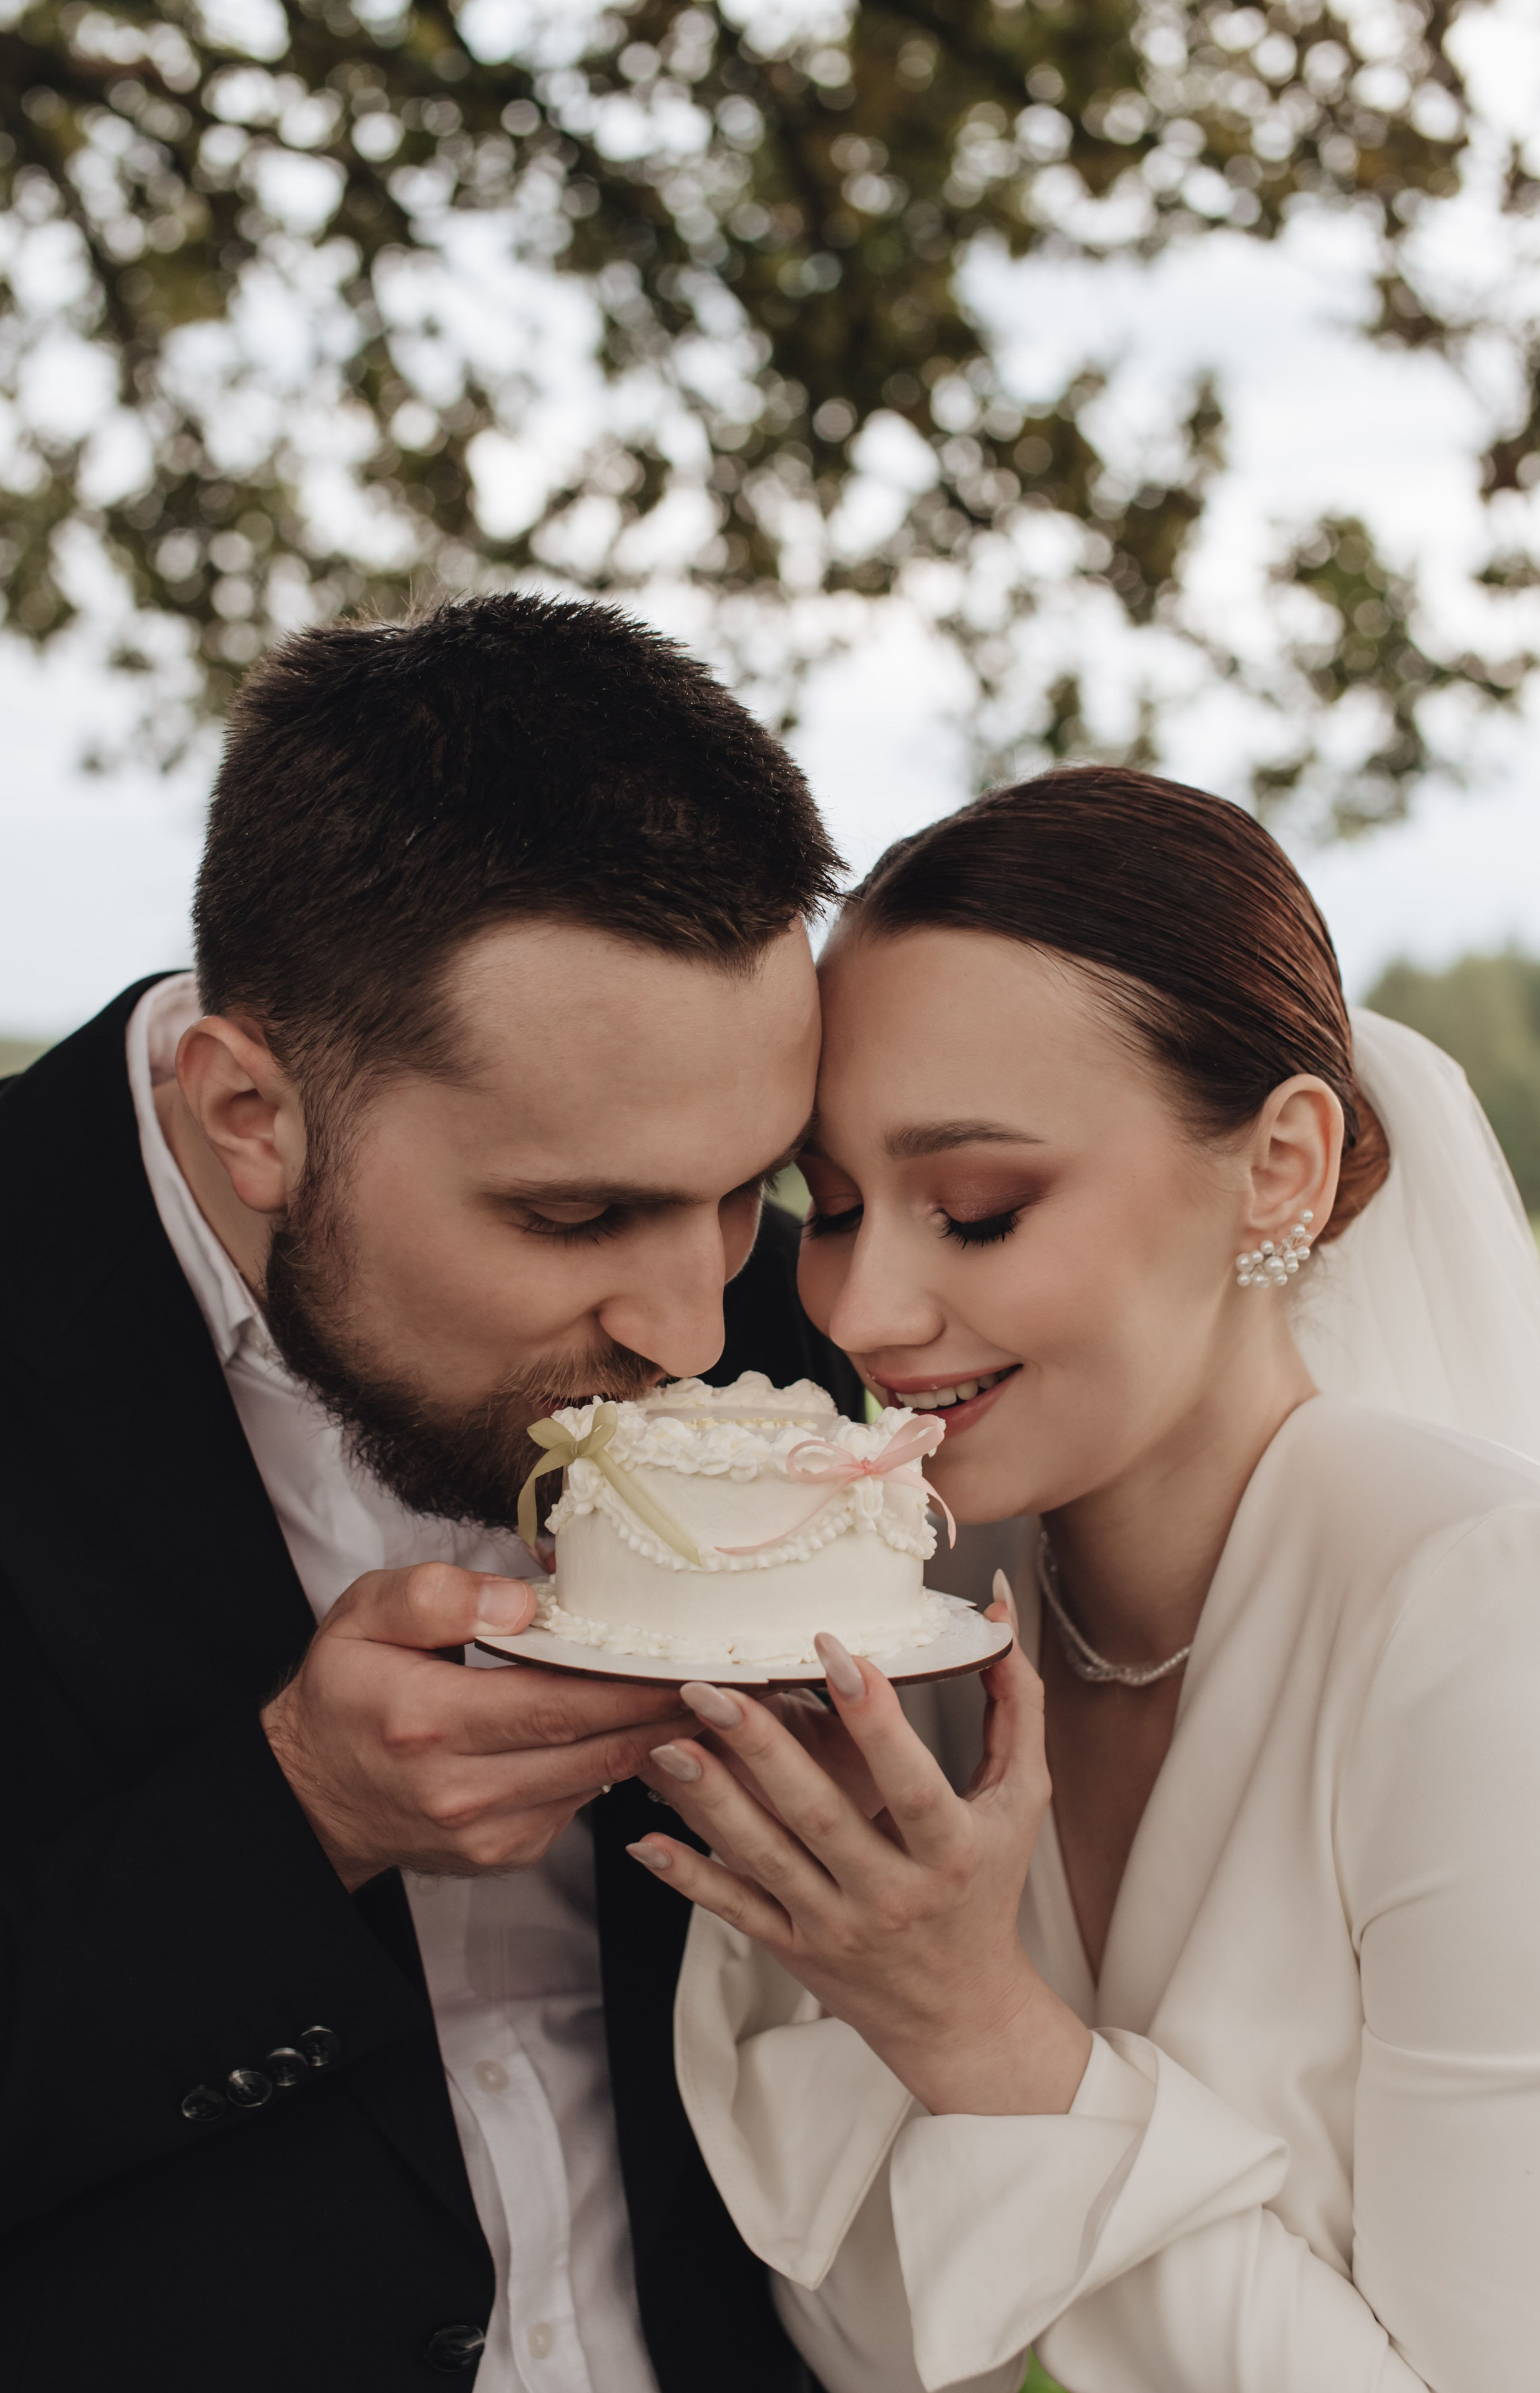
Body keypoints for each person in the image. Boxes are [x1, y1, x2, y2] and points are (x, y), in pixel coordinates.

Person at [0, 595, 863, 2392]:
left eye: (750, 1185)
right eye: (578, 1215)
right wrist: (294, 1819)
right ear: (248, 1113)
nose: (695, 1325)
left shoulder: (812, 1321)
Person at [627, 767, 1540, 2393]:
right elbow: (842, 2300)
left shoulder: (1480, 1622)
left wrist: (977, 2033)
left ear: (1279, 1167)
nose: (857, 1306)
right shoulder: (918, 1593)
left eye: (975, 1211)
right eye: (827, 1206)